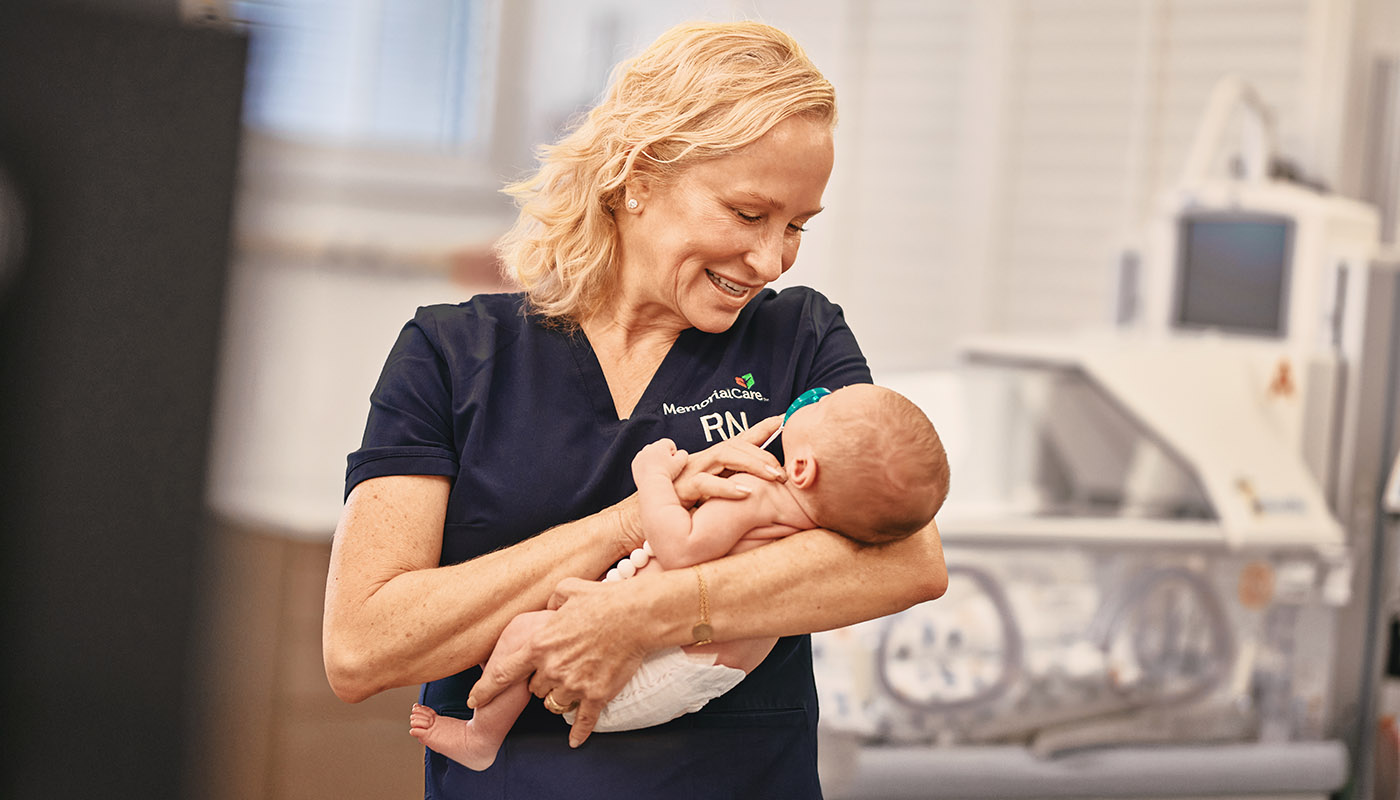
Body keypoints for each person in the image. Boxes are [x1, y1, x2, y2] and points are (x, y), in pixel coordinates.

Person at [323, 19, 947, 799]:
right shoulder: (452, 355)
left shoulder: (800, 339)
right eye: (749, 214)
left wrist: (639, 615)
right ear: (637, 175)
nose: (772, 258)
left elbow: (907, 561)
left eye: (796, 227)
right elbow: (362, 646)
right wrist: (624, 526)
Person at [407, 383, 950, 770]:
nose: (819, 396)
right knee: (526, 637)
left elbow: (680, 546)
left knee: (524, 631)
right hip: (695, 677)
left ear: (802, 469)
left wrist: (653, 479)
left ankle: (481, 739)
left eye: (826, 406)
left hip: (653, 670)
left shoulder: (756, 496)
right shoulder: (827, 535)